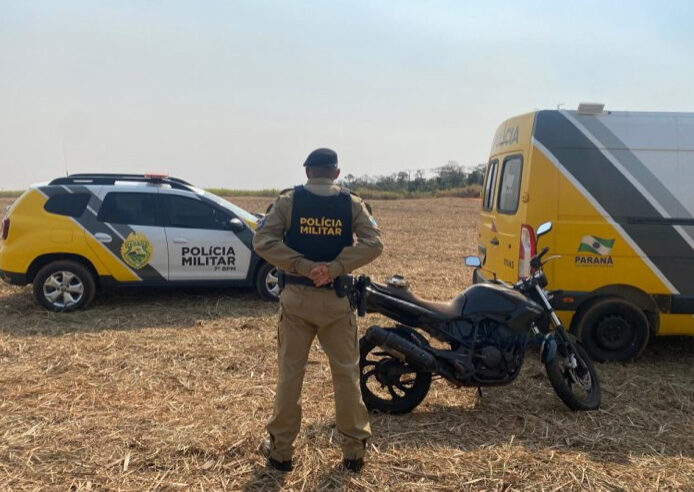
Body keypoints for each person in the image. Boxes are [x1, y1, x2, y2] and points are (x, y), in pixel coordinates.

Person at [253, 148, 383, 473]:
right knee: (346, 375)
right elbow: (374, 243)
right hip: (337, 302)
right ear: (336, 173)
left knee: (290, 376)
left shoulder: (288, 201)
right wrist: (335, 267)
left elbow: (263, 240)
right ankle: (354, 452)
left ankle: (281, 453)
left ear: (308, 172)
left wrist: (301, 265)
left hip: (296, 299)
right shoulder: (352, 203)